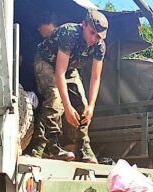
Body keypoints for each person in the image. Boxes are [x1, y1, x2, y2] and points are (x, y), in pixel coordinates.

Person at [31, 8, 107, 162]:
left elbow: (95, 77)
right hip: (46, 61)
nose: (94, 38)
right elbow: (59, 72)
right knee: (55, 99)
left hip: (69, 68)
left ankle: (81, 147)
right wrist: (67, 107)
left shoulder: (100, 46)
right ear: (83, 24)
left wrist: (91, 106)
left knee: (84, 106)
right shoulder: (69, 33)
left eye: (98, 36)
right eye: (92, 32)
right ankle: (51, 145)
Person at [25, 12, 58, 158]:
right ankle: (38, 147)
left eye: (40, 26)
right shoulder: (36, 44)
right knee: (46, 107)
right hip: (35, 87)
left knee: (54, 106)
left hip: (50, 86)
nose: (39, 30)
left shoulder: (63, 39)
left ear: (49, 23)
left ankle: (48, 147)